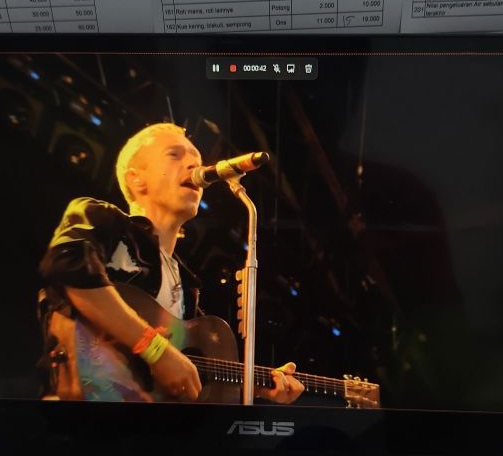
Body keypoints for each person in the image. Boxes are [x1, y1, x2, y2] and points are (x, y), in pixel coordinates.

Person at [38, 122, 305, 405]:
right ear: (136, 179)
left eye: (197, 159)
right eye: (174, 155)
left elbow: (185, 371)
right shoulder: (101, 217)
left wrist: (256, 386)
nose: (193, 164)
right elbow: (67, 267)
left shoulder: (186, 284)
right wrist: (155, 349)